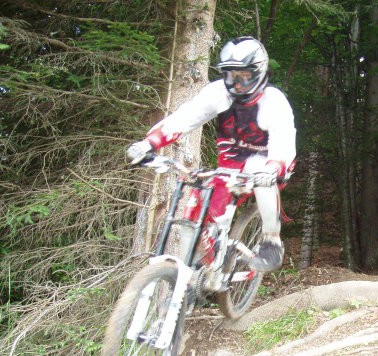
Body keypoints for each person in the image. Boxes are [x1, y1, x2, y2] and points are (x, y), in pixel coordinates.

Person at [127, 36, 296, 272]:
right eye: (230, 75)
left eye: (244, 75)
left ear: (259, 72)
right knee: (195, 212)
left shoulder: (274, 101)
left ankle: (271, 241)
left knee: (260, 174)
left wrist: (274, 167)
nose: (236, 83)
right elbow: (185, 117)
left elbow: (284, 139)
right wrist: (150, 143)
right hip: (229, 164)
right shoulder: (218, 93)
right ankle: (198, 272)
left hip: (267, 163)